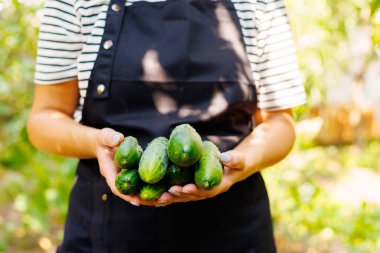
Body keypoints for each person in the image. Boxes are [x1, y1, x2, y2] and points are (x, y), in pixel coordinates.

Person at [27, 0, 306, 252]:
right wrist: (95, 142)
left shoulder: (258, 4)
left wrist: (244, 161)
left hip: (233, 226)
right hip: (108, 226)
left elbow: (280, 122)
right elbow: (45, 118)